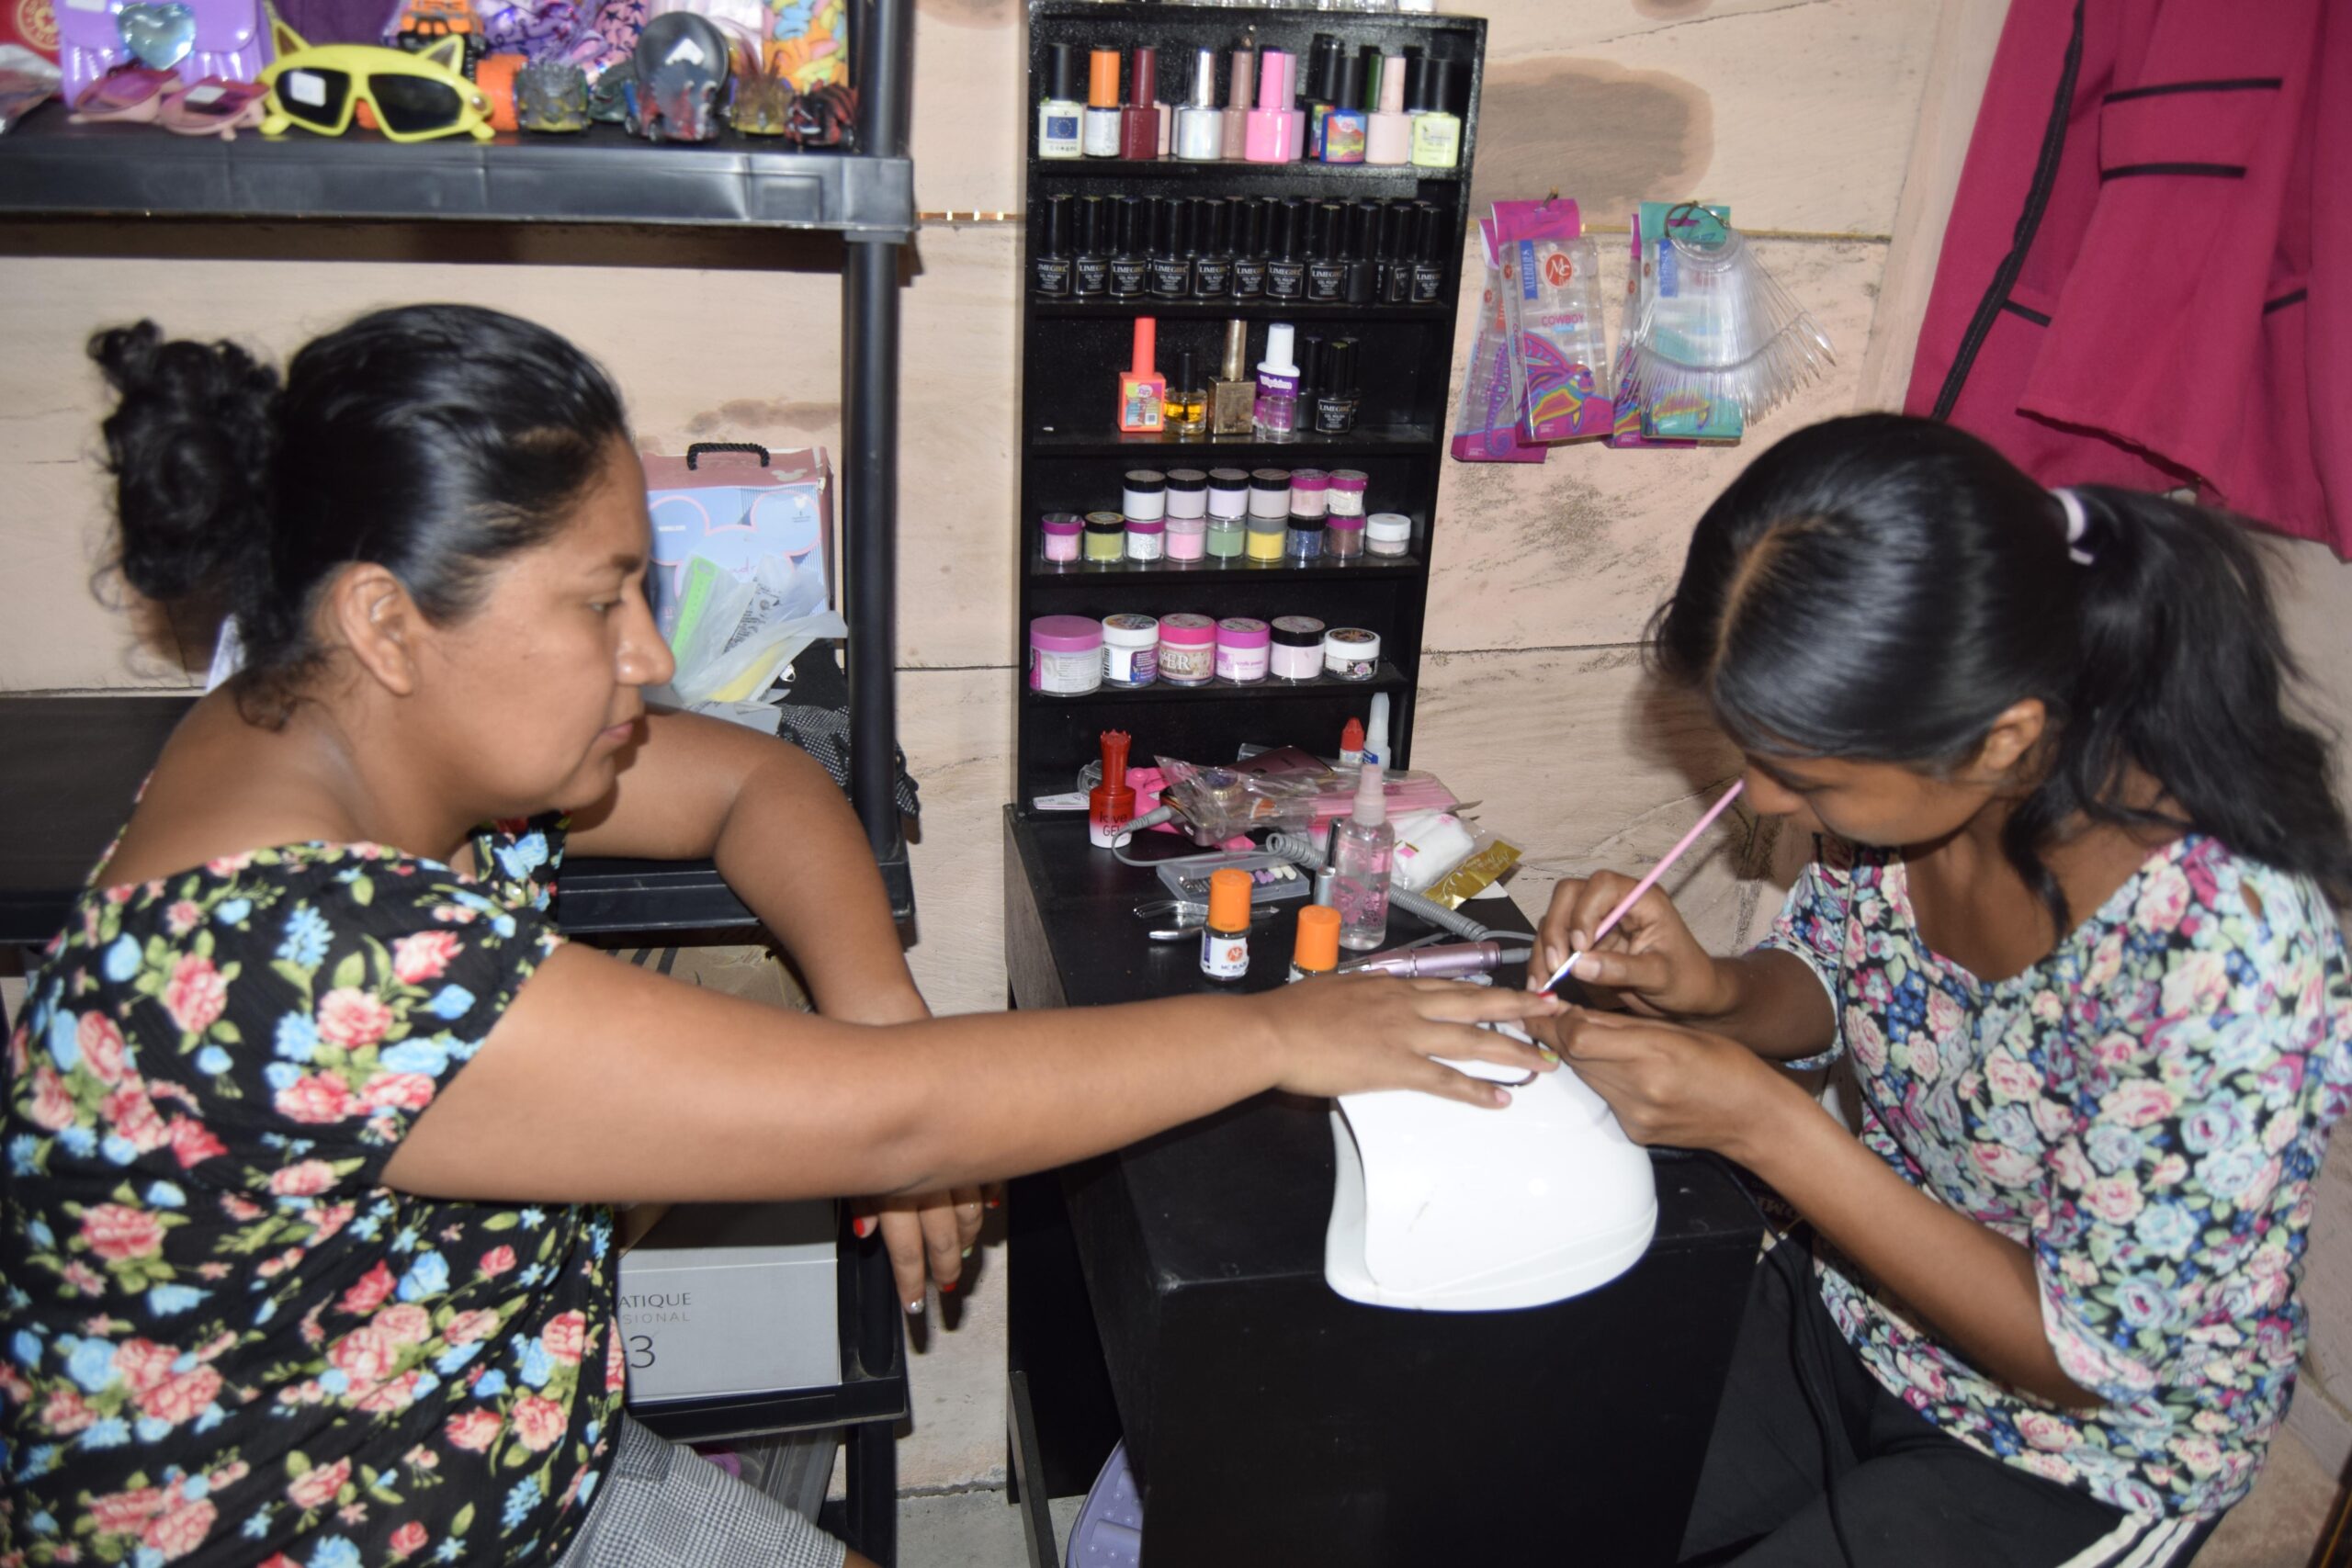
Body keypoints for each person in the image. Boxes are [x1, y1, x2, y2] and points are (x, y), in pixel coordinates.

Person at [0, 304, 1562, 1568]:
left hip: (487, 1461)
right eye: (602, 601)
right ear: (385, 620)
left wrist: (875, 998)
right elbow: (898, 1120)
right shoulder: (298, 958)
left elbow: (759, 781)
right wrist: (1282, 1027)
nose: (650, 652)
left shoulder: (312, 729)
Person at [1530, 414, 2352, 1568]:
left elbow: (2084, 1355)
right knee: (1527, 1499)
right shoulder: (1904, 797)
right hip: (1861, 1305)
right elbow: (1828, 985)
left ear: (2000, 741)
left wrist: (1764, 1127)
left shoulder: (2228, 957)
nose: (1761, 801)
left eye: (1800, 774)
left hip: (2076, 1448)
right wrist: (1707, 988)